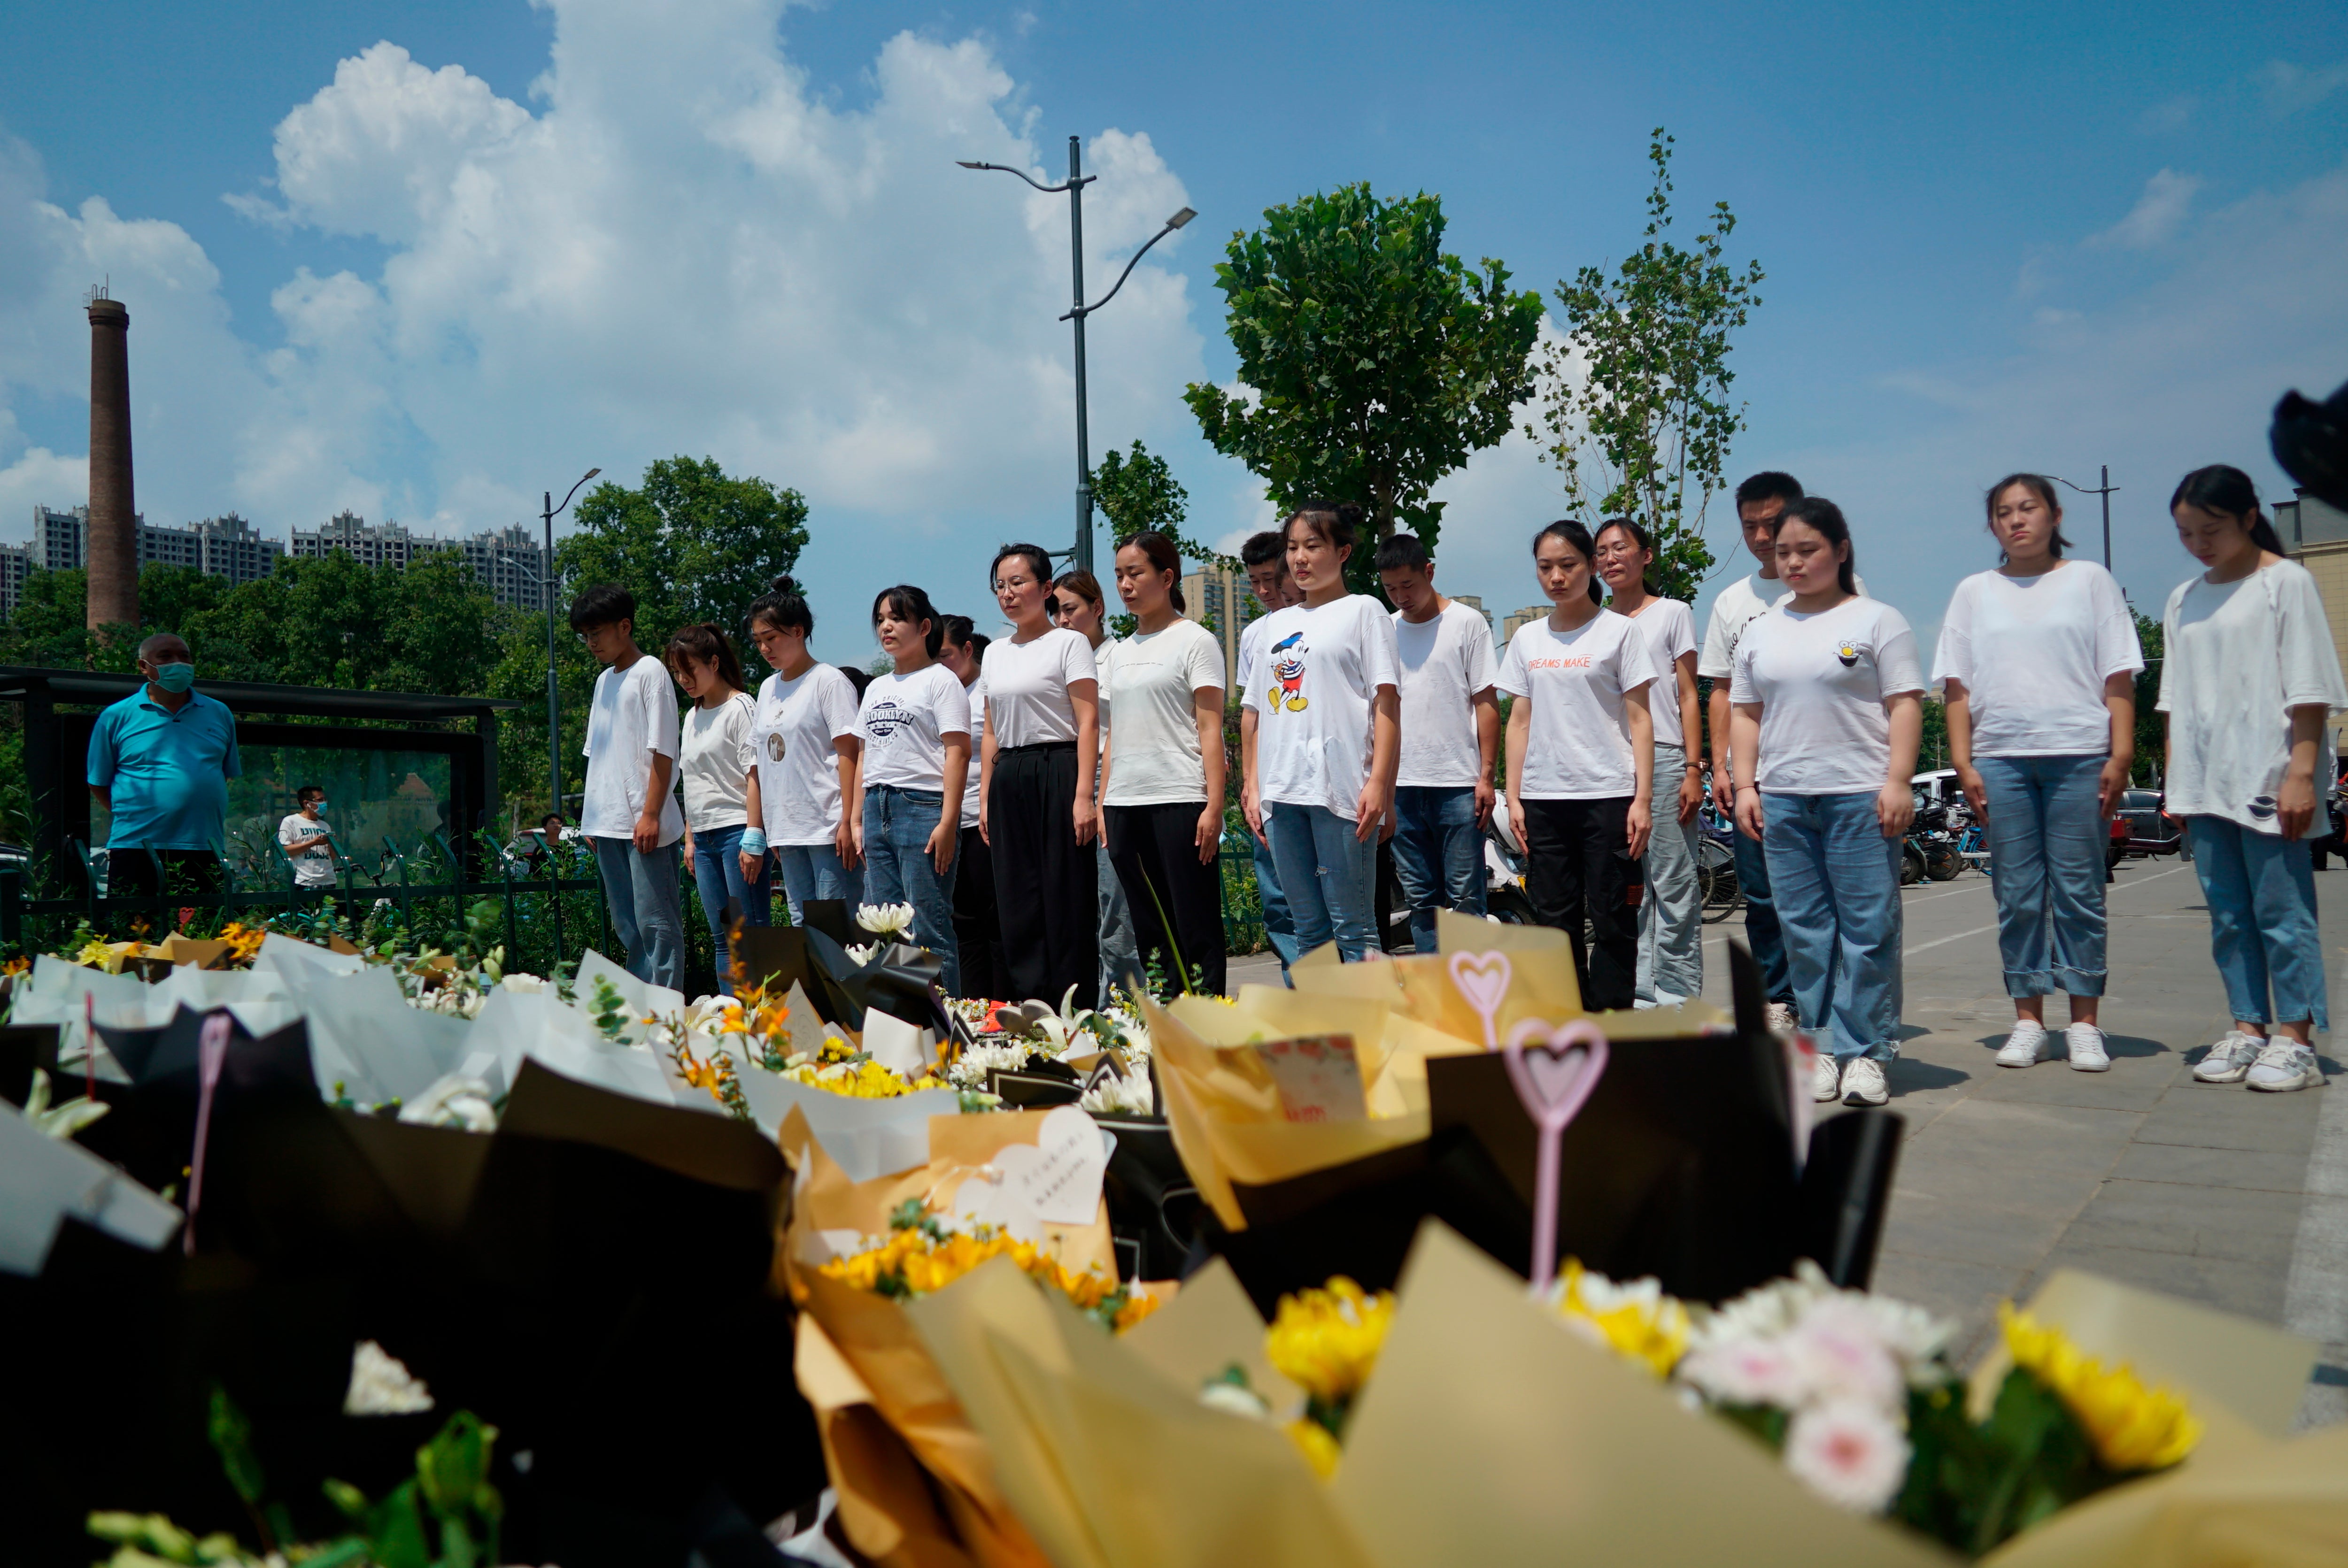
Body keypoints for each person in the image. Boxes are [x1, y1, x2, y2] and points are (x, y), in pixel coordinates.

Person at [1936, 475, 2144, 1071]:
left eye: (2027, 508)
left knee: (2079, 889)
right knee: (2017, 894)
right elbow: (1956, 684)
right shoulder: (1974, 592)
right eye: (2002, 512)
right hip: (2000, 759)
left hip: (2079, 754)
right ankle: (2028, 1019)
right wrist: (1962, 760)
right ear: (1992, 525)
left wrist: (2120, 752)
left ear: (2054, 514)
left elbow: (2118, 676)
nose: (2015, 520)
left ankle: (2083, 1024)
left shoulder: (2089, 581)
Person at [1730, 499, 1923, 1107]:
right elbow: (1745, 713)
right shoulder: (1760, 632)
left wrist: (1897, 781)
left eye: (1807, 550)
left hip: (1860, 799)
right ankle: (1818, 1048)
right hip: (1785, 801)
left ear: (1840, 550)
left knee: (1867, 930)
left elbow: (1905, 704)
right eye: (1784, 552)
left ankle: (1865, 1053)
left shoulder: (1876, 621)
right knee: (1805, 931)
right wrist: (1744, 786)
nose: (1794, 561)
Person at [2163, 466, 2346, 1093]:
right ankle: (2248, 1027)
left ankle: (2295, 1037)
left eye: (2210, 529)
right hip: (2204, 779)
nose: (2198, 543)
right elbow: (2174, 699)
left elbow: (2313, 689)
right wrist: (2174, 782)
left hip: (2269, 777)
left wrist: (2302, 773)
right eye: (2186, 533)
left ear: (2247, 518)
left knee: (2282, 913)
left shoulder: (2284, 583)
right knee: (2230, 916)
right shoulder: (2185, 598)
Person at [1499, 521, 1657, 1009]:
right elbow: (1518, 721)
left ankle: (1613, 1024)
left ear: (1591, 566)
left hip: (1608, 797)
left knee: (1613, 917)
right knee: (1553, 919)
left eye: (1568, 565)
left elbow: (1639, 718)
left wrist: (1642, 799)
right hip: (1544, 801)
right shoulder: (1526, 639)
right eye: (1545, 567)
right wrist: (1513, 795)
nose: (1556, 576)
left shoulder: (1619, 631)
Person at [1243, 502, 1401, 962]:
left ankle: (1373, 1034)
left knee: (1355, 931)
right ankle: (1327, 1033)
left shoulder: (1364, 612)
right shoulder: (1274, 624)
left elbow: (1386, 704)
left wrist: (1378, 785)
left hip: (1342, 790)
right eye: (1292, 547)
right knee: (1307, 934)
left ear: (1343, 551)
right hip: (1281, 792)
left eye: (1313, 546)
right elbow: (1253, 711)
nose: (1299, 558)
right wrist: (1251, 786)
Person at [1699, 472, 1805, 1032]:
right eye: (1750, 526)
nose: (1762, 536)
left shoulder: (1837, 586)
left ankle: (1826, 997)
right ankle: (1779, 996)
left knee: (1819, 896)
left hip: (1817, 771)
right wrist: (1720, 765)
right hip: (1752, 776)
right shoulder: (1732, 601)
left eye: (1772, 522)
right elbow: (1720, 690)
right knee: (1762, 896)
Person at [1103, 531, 1229, 995]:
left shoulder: (1194, 641)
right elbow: (1114, 733)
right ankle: (1166, 1024)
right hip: (1124, 803)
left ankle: (1209, 1022)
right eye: (1118, 575)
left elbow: (1210, 727)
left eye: (1135, 573)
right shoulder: (1119, 650)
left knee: (1193, 920)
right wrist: (1102, 804)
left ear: (1167, 576)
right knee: (1149, 930)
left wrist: (1213, 806)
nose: (1125, 584)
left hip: (1178, 797)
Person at [983, 546, 1103, 1008]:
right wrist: (987, 799)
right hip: (1008, 773)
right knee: (1016, 897)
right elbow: (991, 729)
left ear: (1046, 588)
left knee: (1064, 892)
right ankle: (1031, 1008)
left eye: (1018, 583)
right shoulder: (995, 653)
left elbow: (1088, 720)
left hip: (1059, 767)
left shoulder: (1067, 643)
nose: (1008, 594)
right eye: (1000, 586)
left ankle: (1075, 1007)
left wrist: (1082, 796)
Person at [1596, 518, 1704, 1005]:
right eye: (1601, 552)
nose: (1610, 558)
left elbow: (1686, 695)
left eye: (1620, 548)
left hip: (1663, 758)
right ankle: (1637, 989)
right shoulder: (1596, 621)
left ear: (1646, 556)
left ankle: (1676, 993)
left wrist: (1692, 767)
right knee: (1629, 883)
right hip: (1613, 763)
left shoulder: (1671, 613)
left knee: (1673, 880)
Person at [1375, 531, 1498, 953]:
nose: (1400, 597)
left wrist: (1486, 776)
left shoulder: (1467, 623)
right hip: (1402, 786)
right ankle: (1436, 995)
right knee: (1420, 899)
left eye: (1408, 585)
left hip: (1459, 785)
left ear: (1429, 571)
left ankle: (1473, 996)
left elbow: (1486, 702)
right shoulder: (1385, 630)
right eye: (1390, 589)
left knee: (1466, 898)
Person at [854, 584, 971, 995]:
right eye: (881, 619)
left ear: (924, 627)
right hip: (876, 806)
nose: (887, 627)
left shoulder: (941, 681)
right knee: (885, 929)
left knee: (930, 929)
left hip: (922, 807)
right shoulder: (876, 688)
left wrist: (947, 822)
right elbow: (864, 757)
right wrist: (855, 820)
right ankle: (900, 1027)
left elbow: (958, 752)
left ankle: (945, 1030)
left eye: (897, 618)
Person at [573, 584, 687, 991]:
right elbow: (599, 755)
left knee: (656, 922)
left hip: (643, 820)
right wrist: (593, 819)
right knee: (626, 923)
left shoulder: (651, 672)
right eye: (585, 636)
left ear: (625, 626)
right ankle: (643, 1007)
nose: (591, 643)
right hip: (608, 823)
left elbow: (664, 750)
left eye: (597, 633)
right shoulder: (604, 682)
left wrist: (652, 813)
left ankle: (667, 1009)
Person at [87, 633, 240, 914]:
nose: (178, 663)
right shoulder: (115, 716)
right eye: (166, 657)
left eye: (185, 656)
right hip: (137, 847)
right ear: (143, 667)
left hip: (205, 846)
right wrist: (136, 812)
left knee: (206, 943)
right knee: (134, 943)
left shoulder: (219, 713)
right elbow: (98, 783)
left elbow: (224, 774)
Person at [745, 576, 863, 926]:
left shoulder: (828, 681)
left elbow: (850, 756)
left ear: (798, 632)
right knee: (802, 926)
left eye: (771, 639)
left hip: (827, 828)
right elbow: (762, 762)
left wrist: (847, 820)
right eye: (759, 642)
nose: (765, 649)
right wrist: (769, 829)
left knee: (838, 927)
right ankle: (814, 985)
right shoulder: (767, 688)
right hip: (788, 829)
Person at [1052, 568, 1143, 996]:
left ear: (1098, 609)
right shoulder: (1054, 661)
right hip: (1066, 784)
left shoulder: (1119, 658)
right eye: (1056, 612)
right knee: (1074, 904)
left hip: (1110, 785)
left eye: (1070, 609)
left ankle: (1125, 1009)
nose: (1062, 620)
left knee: (1115, 904)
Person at [668, 622, 767, 993]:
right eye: (677, 673)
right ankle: (733, 1024)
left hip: (737, 833)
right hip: (705, 839)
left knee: (748, 936)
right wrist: (691, 839)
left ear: (713, 662)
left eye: (688, 670)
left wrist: (754, 836)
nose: (683, 680)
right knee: (722, 939)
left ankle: (763, 1028)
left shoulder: (742, 707)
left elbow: (754, 774)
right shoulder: (692, 716)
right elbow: (692, 782)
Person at [1237, 531, 1304, 974]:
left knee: (1329, 905)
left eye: (1269, 580)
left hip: (1319, 783)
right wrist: (1250, 783)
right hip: (1272, 786)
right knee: (1278, 901)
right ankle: (1300, 994)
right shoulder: (1254, 635)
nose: (1264, 592)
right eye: (1255, 582)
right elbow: (1252, 716)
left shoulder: (1321, 619)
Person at [940, 614, 1009, 1001]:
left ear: (969, 650)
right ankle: (974, 1007)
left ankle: (1002, 1008)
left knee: (995, 920)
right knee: (962, 923)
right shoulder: (936, 689)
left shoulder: (990, 689)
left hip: (986, 819)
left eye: (947, 655)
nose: (941, 665)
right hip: (948, 820)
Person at [278, 784, 337, 891]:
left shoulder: (325, 825)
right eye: (320, 800)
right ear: (307, 803)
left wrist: (332, 843)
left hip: (329, 881)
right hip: (305, 881)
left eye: (325, 800)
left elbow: (331, 857)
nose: (324, 803)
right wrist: (313, 842)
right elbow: (285, 851)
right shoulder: (291, 822)